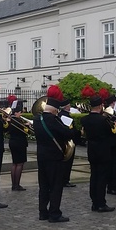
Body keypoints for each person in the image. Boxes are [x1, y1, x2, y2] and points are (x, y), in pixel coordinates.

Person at [35, 85, 74, 222]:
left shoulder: (37, 120)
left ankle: (42, 212)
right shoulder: (53, 120)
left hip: (41, 156)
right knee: (56, 186)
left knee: (43, 185)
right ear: (55, 109)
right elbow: (67, 134)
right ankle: (54, 213)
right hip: (54, 157)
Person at [83, 94, 116, 212]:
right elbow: (111, 133)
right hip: (103, 151)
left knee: (94, 176)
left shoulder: (85, 119)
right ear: (100, 106)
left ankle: (94, 202)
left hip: (92, 150)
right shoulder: (104, 120)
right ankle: (101, 203)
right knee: (102, 178)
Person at [7, 95, 28, 191]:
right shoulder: (19, 121)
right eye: (20, 112)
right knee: (19, 164)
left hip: (12, 142)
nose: (21, 114)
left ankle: (13, 184)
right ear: (17, 113)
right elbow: (26, 131)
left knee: (14, 163)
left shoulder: (10, 121)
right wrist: (27, 126)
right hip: (20, 143)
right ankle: (17, 185)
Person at [60, 98, 79, 189]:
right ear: (66, 107)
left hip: (62, 141)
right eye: (69, 106)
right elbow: (70, 130)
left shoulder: (60, 115)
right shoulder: (66, 116)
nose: (70, 107)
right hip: (68, 142)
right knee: (68, 162)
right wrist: (78, 133)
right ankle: (65, 180)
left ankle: (63, 179)